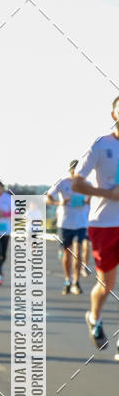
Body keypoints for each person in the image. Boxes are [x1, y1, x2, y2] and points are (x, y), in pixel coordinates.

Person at [72, 96, 119, 351]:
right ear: (114, 115)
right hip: (104, 224)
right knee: (106, 285)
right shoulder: (101, 145)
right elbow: (77, 183)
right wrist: (108, 194)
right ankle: (94, 317)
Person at [46, 160, 89, 294]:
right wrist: (60, 202)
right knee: (67, 254)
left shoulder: (87, 184)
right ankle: (67, 280)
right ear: (70, 170)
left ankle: (76, 281)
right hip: (65, 223)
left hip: (81, 223)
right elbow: (48, 198)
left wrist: (89, 200)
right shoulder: (62, 183)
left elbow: (97, 197)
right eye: (75, 170)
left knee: (78, 252)